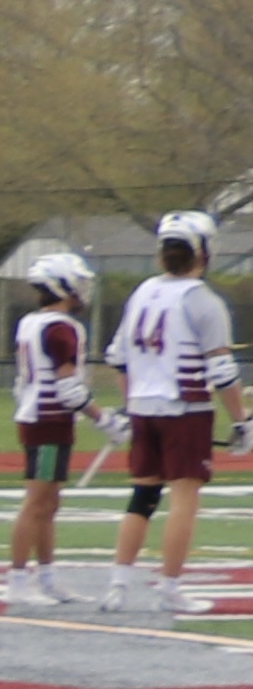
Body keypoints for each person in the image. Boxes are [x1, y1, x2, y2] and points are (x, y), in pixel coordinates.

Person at [103, 210, 232, 611]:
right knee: (184, 498)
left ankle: (118, 584)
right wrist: (242, 420)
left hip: (143, 407)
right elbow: (222, 371)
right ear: (203, 252)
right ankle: (170, 588)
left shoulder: (142, 292)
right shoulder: (202, 301)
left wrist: (129, 405)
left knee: (142, 495)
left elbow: (117, 358)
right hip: (186, 408)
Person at [0, 254, 97, 606]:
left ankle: (47, 576)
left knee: (49, 502)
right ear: (63, 286)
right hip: (48, 419)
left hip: (39, 416)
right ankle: (17, 579)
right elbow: (68, 387)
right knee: (38, 502)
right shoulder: (61, 328)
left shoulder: (31, 323)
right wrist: (103, 417)